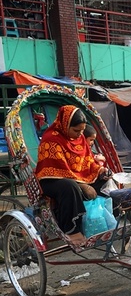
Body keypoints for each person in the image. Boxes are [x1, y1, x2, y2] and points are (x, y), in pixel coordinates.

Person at [35, 105, 110, 247]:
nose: (79, 134)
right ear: (65, 125)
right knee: (70, 187)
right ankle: (71, 229)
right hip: (51, 179)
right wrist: (82, 184)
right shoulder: (51, 139)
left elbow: (88, 162)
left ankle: (102, 220)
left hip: (77, 177)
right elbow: (56, 170)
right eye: (76, 130)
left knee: (104, 181)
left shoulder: (81, 138)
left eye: (82, 130)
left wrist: (100, 170)